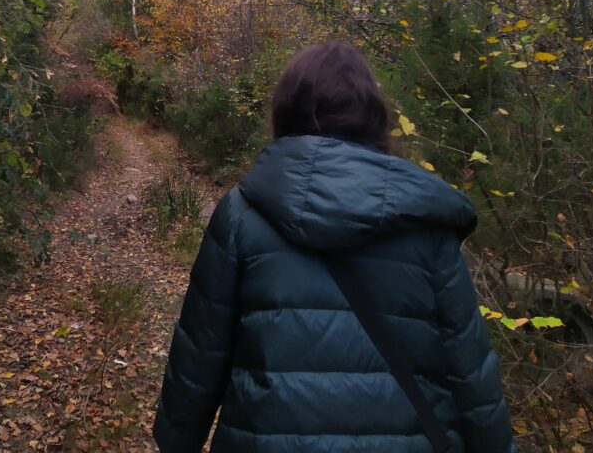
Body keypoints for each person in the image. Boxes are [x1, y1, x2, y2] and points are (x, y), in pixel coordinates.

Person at [153, 40, 517, 452]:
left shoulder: (241, 213)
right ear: (373, 116)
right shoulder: (425, 219)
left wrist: (178, 437)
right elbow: (470, 369)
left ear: (285, 110)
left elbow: (202, 351)